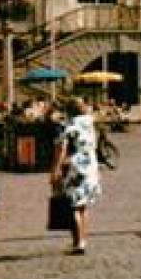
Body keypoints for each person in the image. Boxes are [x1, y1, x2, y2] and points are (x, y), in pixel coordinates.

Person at [50, 98, 102, 255]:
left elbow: (62, 149)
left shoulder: (67, 126)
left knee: (72, 205)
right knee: (83, 205)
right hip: (90, 165)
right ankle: (81, 239)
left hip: (75, 167)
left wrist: (55, 170)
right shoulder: (90, 124)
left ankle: (79, 243)